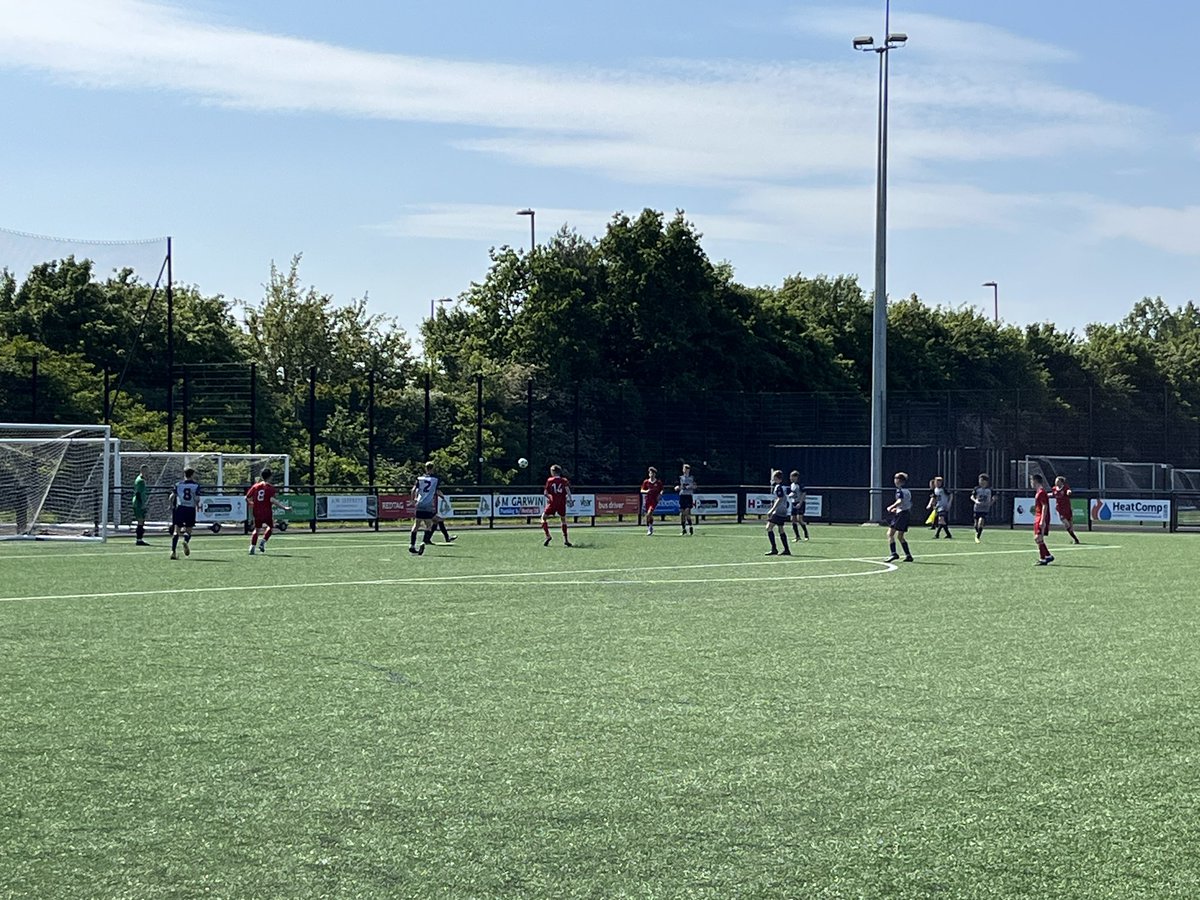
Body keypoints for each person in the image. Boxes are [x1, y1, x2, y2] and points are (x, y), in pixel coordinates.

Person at [246, 468, 291, 555]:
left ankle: (252, 546)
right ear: (270, 477)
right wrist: (284, 508)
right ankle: (263, 541)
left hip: (256, 510)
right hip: (266, 511)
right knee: (271, 526)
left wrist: (251, 503)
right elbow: (272, 500)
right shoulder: (270, 488)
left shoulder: (255, 486)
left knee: (257, 529)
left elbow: (247, 497)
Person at [409, 462, 444, 555]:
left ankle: (412, 545)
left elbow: (413, 490)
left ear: (425, 468)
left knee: (416, 525)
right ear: (433, 468)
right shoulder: (435, 479)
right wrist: (442, 497)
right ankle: (423, 542)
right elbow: (437, 490)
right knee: (429, 525)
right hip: (428, 505)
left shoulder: (420, 479)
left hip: (419, 504)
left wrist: (413, 500)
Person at [169, 467, 200, 559]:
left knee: (176, 531)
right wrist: (196, 504)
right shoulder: (196, 486)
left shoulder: (178, 485)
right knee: (189, 529)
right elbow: (197, 499)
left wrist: (171, 505)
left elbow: (172, 496)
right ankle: (185, 540)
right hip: (190, 509)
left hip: (180, 508)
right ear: (192, 475)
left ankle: (173, 552)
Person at [540, 464, 573, 547]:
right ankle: (566, 540)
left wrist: (549, 497)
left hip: (553, 502)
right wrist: (570, 500)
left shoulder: (550, 480)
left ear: (553, 472)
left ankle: (548, 535)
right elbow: (568, 491)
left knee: (543, 518)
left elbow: (545, 493)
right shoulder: (564, 480)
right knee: (563, 520)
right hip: (561, 503)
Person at [885, 472, 915, 562]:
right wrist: (897, 508)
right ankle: (908, 555)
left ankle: (893, 553)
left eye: (896, 478)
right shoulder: (908, 491)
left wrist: (892, 507)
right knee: (900, 536)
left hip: (901, 514)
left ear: (899, 481)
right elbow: (908, 503)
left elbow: (900, 501)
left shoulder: (900, 490)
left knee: (890, 534)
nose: (895, 480)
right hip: (906, 513)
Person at [764, 469, 792, 556]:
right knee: (781, 529)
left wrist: (772, 510)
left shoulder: (778, 487)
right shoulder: (782, 487)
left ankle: (774, 549)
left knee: (769, 527)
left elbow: (779, 498)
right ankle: (786, 549)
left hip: (779, 510)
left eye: (773, 477)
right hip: (783, 510)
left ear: (776, 478)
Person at [1031, 473, 1055, 565]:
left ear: (1035, 481)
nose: (1031, 483)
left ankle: (1043, 559)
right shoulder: (1039, 492)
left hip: (1041, 517)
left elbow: (1045, 506)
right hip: (1038, 516)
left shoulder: (1041, 492)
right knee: (1038, 538)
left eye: (1032, 481)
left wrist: (1042, 520)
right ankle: (1047, 556)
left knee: (1038, 538)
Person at [1053, 476, 1081, 545]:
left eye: (1057, 481)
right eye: (1056, 481)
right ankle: (1075, 538)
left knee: (1070, 528)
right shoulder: (1054, 488)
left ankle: (1076, 539)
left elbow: (1068, 491)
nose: (1056, 482)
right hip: (1060, 510)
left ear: (1061, 482)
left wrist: (1069, 492)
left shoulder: (1065, 487)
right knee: (1067, 524)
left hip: (1068, 509)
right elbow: (1053, 494)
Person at [970, 473, 994, 543]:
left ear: (986, 482)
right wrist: (976, 501)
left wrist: (990, 503)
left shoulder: (989, 490)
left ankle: (977, 537)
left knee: (981, 521)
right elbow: (972, 497)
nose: (981, 482)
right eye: (980, 480)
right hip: (977, 508)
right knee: (976, 524)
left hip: (985, 509)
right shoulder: (977, 489)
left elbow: (994, 497)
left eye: (982, 481)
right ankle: (977, 532)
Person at [788, 470, 810, 541]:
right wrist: (791, 495)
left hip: (800, 503)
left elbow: (804, 494)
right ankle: (797, 536)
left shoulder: (800, 484)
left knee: (799, 519)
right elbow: (794, 493)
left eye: (792, 477)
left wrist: (800, 503)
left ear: (796, 477)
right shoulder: (792, 485)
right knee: (792, 519)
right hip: (793, 503)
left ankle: (806, 534)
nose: (791, 478)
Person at [640, 466, 663, 535]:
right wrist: (646, 491)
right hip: (647, 500)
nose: (651, 474)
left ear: (655, 474)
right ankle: (650, 527)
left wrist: (660, 495)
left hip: (654, 500)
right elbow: (641, 490)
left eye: (653, 473)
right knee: (648, 515)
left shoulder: (658, 482)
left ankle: (650, 528)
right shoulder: (646, 482)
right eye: (650, 473)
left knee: (650, 513)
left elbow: (661, 490)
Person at [132, 464, 150, 545]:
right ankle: (139, 540)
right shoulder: (140, 481)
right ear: (142, 471)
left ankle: (140, 539)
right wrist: (142, 504)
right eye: (146, 471)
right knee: (140, 521)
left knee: (141, 521)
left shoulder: (140, 479)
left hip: (138, 503)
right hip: (138, 504)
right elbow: (138, 493)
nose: (147, 473)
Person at [676, 463, 696, 535]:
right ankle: (683, 529)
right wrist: (677, 487)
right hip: (682, 496)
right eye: (684, 468)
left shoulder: (692, 478)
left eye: (687, 469)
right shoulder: (680, 477)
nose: (685, 470)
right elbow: (677, 486)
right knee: (682, 514)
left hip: (688, 496)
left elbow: (695, 486)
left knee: (687, 512)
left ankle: (690, 526)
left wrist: (690, 486)